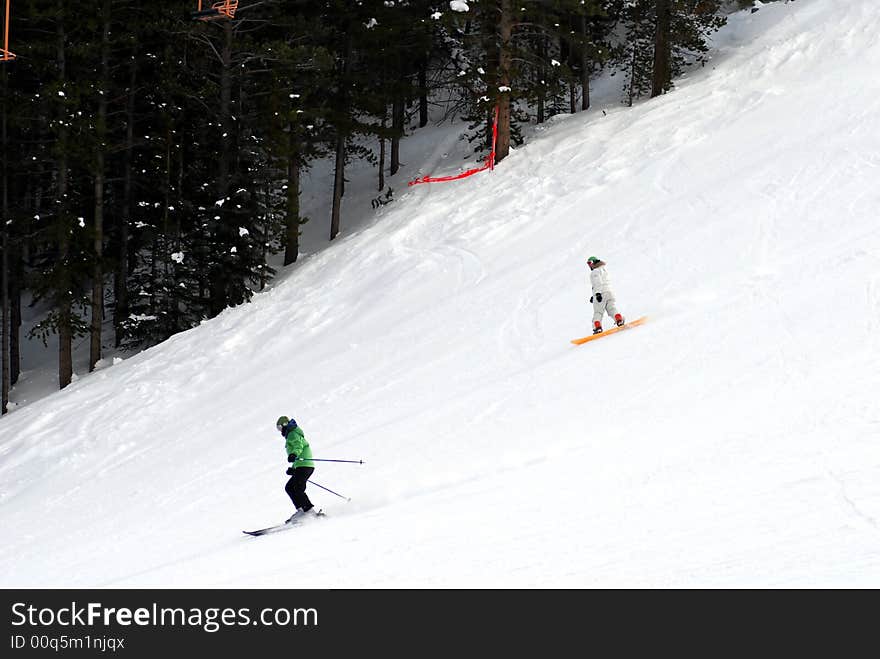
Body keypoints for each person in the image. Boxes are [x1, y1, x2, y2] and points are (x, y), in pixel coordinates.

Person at [276, 415, 318, 522]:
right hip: (301, 466)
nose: (280, 431)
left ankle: (309, 511)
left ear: (285, 425)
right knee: (289, 487)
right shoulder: (291, 434)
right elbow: (296, 454)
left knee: (297, 488)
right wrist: (293, 468)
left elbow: (298, 446)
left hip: (305, 465)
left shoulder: (293, 433)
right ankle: (301, 510)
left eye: (280, 428)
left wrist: (294, 454)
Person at [587, 256, 625, 334]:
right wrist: (593, 296)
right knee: (611, 308)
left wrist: (597, 294)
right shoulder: (604, 270)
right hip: (609, 293)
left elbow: (598, 282)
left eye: (590, 263)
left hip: (601, 294)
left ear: (594, 262)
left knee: (598, 312)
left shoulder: (595, 272)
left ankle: (597, 327)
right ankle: (619, 319)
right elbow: (604, 284)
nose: (589, 266)